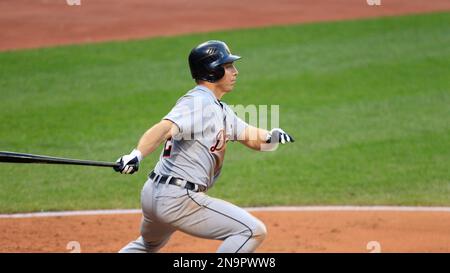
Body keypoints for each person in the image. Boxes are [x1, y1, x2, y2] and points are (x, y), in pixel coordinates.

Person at [114, 40, 294, 253]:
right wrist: (136, 154)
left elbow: (249, 136)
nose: (235, 72)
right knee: (251, 231)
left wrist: (271, 136)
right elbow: (164, 129)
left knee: (146, 245)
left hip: (155, 193)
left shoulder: (218, 108)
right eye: (228, 67)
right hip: (178, 198)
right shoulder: (198, 102)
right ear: (213, 71)